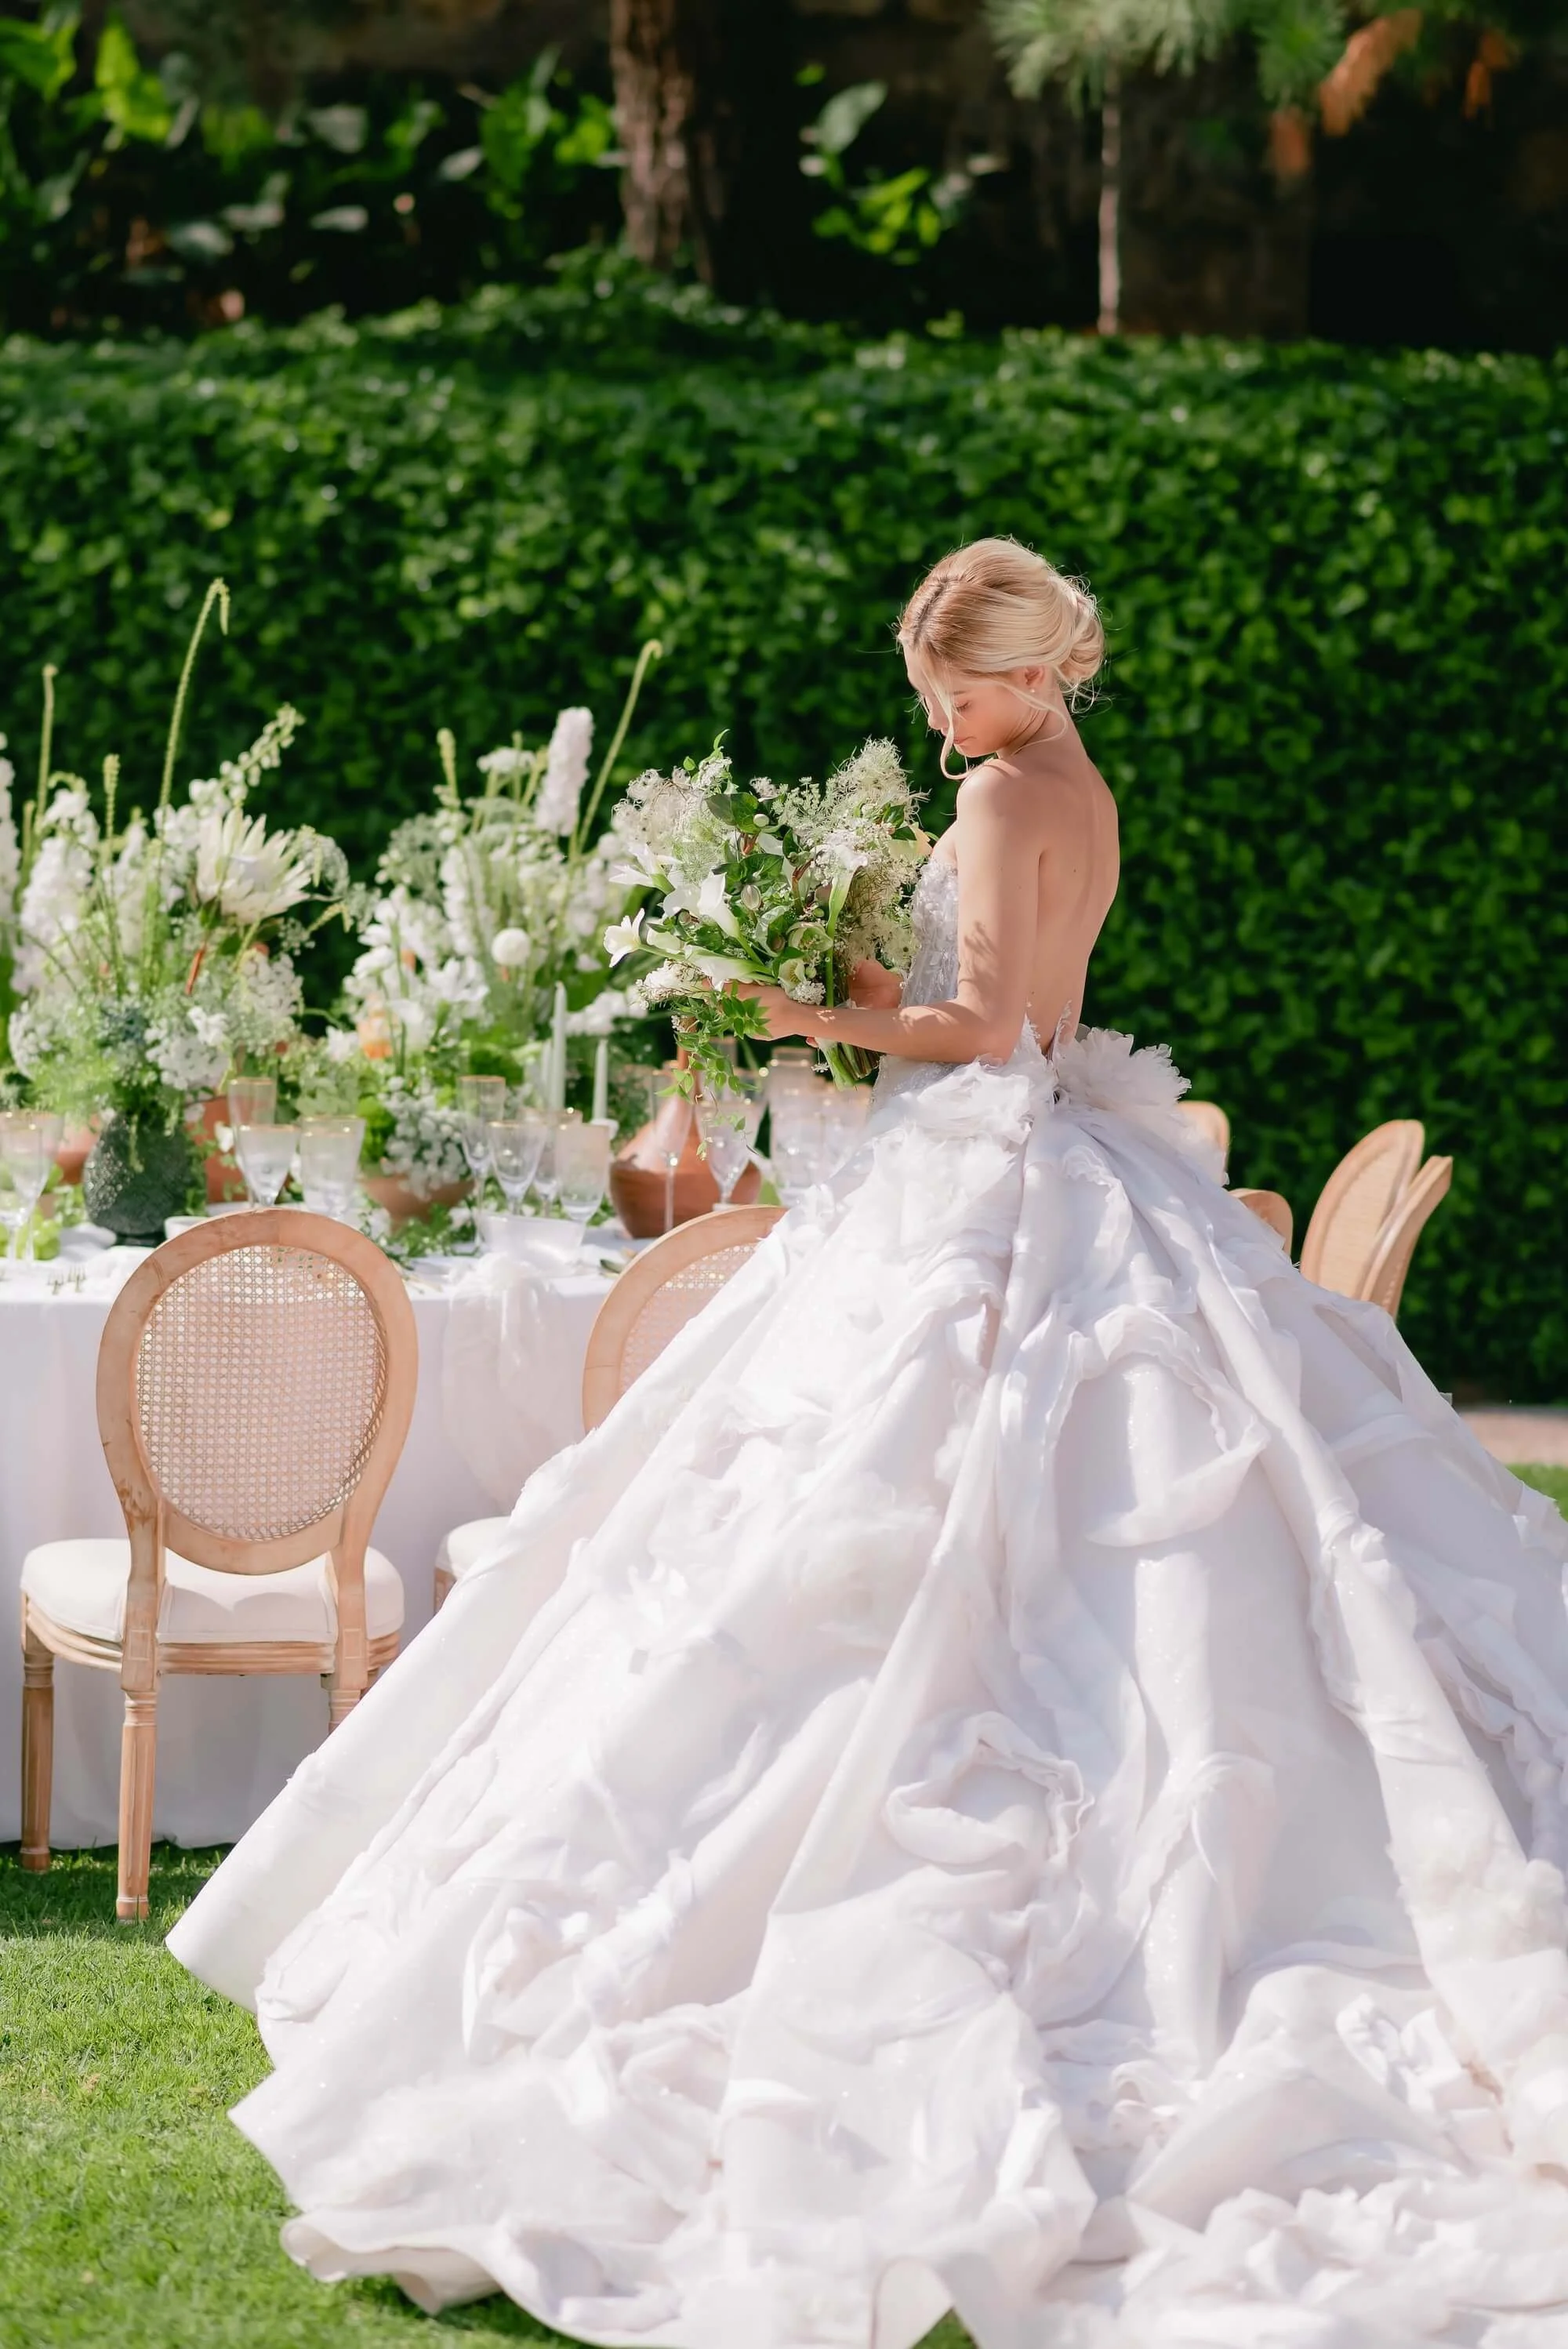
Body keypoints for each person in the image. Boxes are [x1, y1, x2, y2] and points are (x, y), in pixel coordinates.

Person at [171, 538, 1568, 2348]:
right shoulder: (1081, 783)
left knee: (899, 1512)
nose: (931, 712)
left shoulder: (1000, 795)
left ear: (1022, 672)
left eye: (947, 683)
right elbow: (1034, 1012)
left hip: (981, 1181)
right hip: (1072, 1154)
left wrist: (801, 1012)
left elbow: (977, 1032)